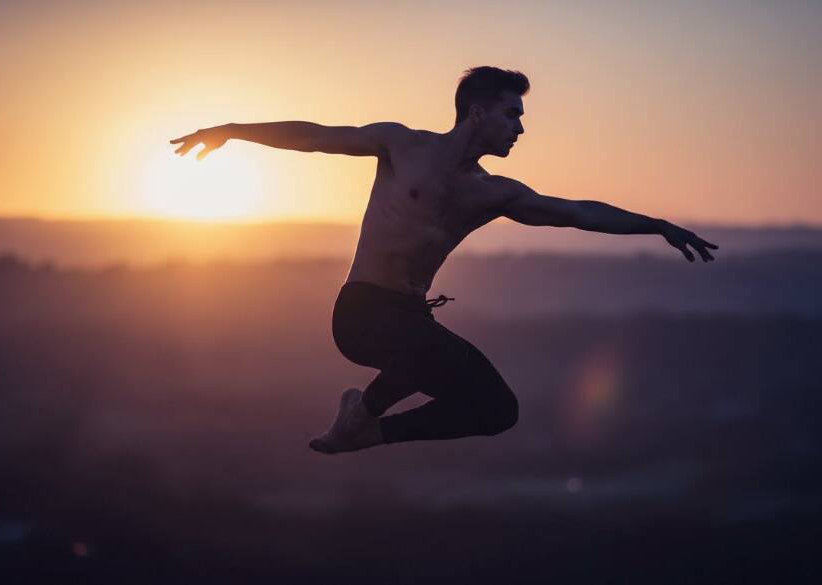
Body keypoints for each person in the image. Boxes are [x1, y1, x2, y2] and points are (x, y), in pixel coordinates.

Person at [169, 66, 718, 454]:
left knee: (498, 411)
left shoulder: (495, 192)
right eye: (512, 114)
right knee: (418, 351)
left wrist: (657, 225)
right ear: (476, 112)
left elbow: (576, 212)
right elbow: (315, 137)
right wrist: (232, 131)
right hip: (361, 312)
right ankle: (364, 412)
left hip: (412, 319)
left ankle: (369, 432)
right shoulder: (401, 145)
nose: (520, 128)